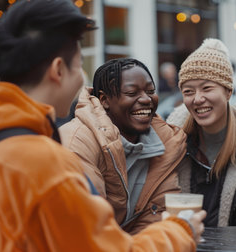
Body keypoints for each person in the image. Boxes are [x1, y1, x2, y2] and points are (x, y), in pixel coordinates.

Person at [0, 0, 205, 251]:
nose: (82, 77)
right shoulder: (41, 163)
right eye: (79, 63)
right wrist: (180, 229)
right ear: (58, 70)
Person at [59, 58, 189, 234]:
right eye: (131, 92)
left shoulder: (167, 143)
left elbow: (155, 221)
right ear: (104, 100)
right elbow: (88, 226)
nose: (146, 99)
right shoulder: (77, 142)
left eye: (151, 91)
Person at [167, 38, 236, 227]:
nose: (197, 99)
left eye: (207, 88)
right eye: (188, 91)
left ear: (228, 92)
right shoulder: (173, 144)